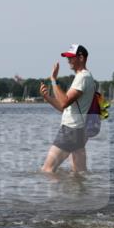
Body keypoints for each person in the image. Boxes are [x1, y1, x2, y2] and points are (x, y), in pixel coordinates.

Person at [39, 44, 97, 174]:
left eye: (71, 57)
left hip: (71, 130)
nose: (68, 60)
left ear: (81, 58)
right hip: (79, 131)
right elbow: (64, 108)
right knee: (79, 174)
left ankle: (56, 189)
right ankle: (80, 189)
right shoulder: (85, 77)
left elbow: (64, 102)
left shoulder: (82, 77)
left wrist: (54, 80)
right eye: (67, 57)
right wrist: (47, 97)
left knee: (47, 170)